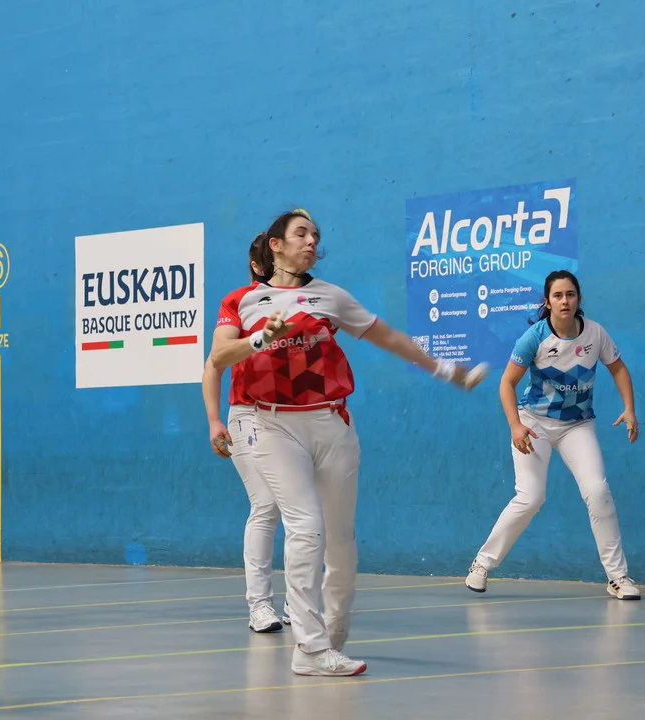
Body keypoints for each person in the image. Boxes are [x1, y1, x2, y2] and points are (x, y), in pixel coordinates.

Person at [209, 209, 489, 677]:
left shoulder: (331, 296)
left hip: (331, 423)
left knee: (339, 538)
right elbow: (219, 355)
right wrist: (261, 338)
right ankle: (309, 648)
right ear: (275, 245)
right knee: (305, 526)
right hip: (271, 425)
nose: (311, 241)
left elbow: (390, 338)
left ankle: (332, 633)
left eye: (316, 235)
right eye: (301, 233)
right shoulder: (245, 302)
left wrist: (447, 371)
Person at [464, 269, 641, 601]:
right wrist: (515, 425)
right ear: (547, 302)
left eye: (570, 294)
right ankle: (482, 564)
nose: (565, 301)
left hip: (577, 425)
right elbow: (507, 383)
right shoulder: (533, 338)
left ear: (578, 299)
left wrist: (629, 408)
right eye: (558, 296)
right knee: (530, 498)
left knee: (597, 491)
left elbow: (618, 368)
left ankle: (618, 577)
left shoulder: (596, 334)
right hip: (535, 424)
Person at [201, 236, 291, 633]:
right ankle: (259, 606)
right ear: (258, 265)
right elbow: (215, 363)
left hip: (298, 419)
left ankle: (300, 605)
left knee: (302, 510)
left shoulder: (307, 299)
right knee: (267, 504)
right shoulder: (237, 302)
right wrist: (214, 420)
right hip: (248, 416)